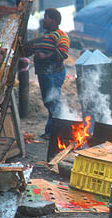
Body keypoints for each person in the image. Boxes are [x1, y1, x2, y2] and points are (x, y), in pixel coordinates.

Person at [24, 8, 69, 140]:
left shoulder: (60, 35)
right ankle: (52, 131)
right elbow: (29, 50)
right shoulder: (43, 36)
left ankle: (55, 132)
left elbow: (63, 53)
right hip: (44, 74)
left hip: (54, 73)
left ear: (54, 20)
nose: (44, 19)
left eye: (46, 17)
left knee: (53, 102)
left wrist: (45, 56)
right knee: (49, 102)